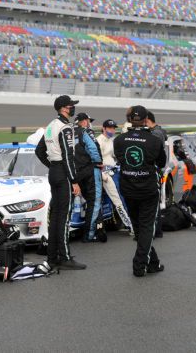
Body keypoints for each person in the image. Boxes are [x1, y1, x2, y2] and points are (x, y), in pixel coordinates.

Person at [114, 105, 167, 277]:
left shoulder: (119, 140)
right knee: (145, 228)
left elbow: (120, 159)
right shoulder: (154, 141)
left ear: (130, 120)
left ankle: (153, 262)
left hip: (128, 189)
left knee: (139, 228)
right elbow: (161, 162)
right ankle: (139, 265)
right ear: (146, 120)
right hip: (147, 190)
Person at [40, 95, 86, 270]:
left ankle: (52, 257)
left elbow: (39, 150)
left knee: (56, 216)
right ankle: (65, 257)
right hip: (63, 173)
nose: (73, 108)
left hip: (54, 171)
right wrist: (74, 181)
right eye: (71, 105)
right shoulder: (65, 127)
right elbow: (67, 156)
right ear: (64, 108)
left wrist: (52, 165)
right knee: (64, 217)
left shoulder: (50, 126)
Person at [95, 118, 133, 237]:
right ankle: (131, 226)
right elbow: (95, 161)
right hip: (105, 174)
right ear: (104, 128)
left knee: (124, 197)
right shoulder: (98, 141)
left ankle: (131, 223)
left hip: (115, 171)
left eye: (113, 128)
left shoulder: (111, 140)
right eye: (110, 128)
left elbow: (114, 156)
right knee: (118, 200)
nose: (112, 130)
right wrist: (102, 174)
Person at [72, 112, 104, 242]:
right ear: (84, 121)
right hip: (90, 170)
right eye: (89, 121)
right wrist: (98, 162)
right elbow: (93, 148)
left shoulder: (68, 132)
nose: (89, 123)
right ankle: (90, 234)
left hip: (73, 173)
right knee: (94, 201)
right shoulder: (86, 132)